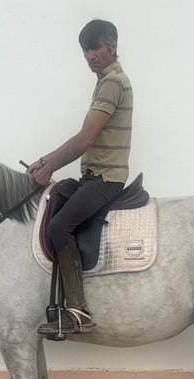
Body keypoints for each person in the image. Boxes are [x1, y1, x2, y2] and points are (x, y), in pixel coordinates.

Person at [28, 19, 133, 336]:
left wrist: (49, 166)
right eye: (86, 50)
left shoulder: (113, 82)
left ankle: (78, 313)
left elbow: (86, 139)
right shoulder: (104, 81)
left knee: (60, 226)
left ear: (112, 45)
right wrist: (46, 160)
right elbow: (83, 137)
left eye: (96, 47)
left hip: (106, 178)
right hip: (94, 176)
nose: (90, 55)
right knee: (57, 197)